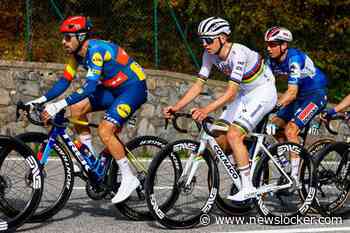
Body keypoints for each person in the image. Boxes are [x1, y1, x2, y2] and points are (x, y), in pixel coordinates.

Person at [26, 16, 147, 204]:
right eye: (63, 37)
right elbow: (64, 81)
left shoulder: (96, 51)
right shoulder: (76, 55)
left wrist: (58, 105)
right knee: (77, 107)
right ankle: (90, 161)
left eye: (67, 37)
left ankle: (129, 178)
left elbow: (90, 87)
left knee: (105, 130)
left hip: (133, 88)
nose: (63, 41)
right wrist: (39, 100)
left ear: (80, 37)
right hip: (113, 88)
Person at [163, 16, 277, 201]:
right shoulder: (208, 55)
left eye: (208, 40)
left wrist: (206, 110)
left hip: (263, 92)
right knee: (218, 138)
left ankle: (247, 186)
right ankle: (243, 166)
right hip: (245, 94)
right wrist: (176, 107)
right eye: (202, 40)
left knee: (233, 134)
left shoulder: (238, 53)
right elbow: (198, 85)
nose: (204, 44)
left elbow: (231, 93)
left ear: (222, 38)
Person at [264, 26, 328, 181]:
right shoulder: (270, 61)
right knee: (274, 127)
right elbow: (263, 86)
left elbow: (291, 92)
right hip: (299, 96)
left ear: (284, 45)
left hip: (315, 94)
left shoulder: (294, 58)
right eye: (267, 44)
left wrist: (275, 106)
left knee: (291, 129)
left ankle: (295, 176)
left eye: (273, 44)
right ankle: (288, 165)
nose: (268, 48)